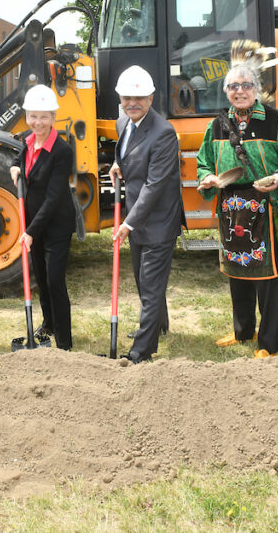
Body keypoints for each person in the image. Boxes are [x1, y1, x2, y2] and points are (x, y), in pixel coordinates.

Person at [197, 41, 278, 358]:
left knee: (267, 276)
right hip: (232, 211)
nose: (239, 91)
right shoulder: (217, 126)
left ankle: (269, 342)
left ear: (257, 88)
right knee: (238, 272)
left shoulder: (275, 121)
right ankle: (243, 331)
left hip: (267, 208)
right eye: (233, 86)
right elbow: (204, 161)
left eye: (246, 85)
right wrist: (207, 177)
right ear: (226, 91)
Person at [109, 65, 184, 364]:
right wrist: (119, 165)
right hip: (137, 217)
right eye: (127, 97)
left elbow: (155, 185)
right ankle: (158, 325)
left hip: (158, 220)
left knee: (151, 286)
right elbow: (127, 154)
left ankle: (141, 351)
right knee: (144, 282)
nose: (132, 103)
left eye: (139, 98)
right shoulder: (122, 122)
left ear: (151, 98)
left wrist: (128, 223)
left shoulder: (164, 133)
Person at [9, 85, 76, 349]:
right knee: (41, 278)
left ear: (53, 117)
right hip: (33, 222)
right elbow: (19, 156)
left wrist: (31, 232)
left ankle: (65, 340)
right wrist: (14, 167)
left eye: (44, 117)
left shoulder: (62, 151)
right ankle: (48, 323)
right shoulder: (28, 139)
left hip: (55, 225)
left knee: (55, 280)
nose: (38, 122)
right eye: (33, 116)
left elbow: (53, 198)